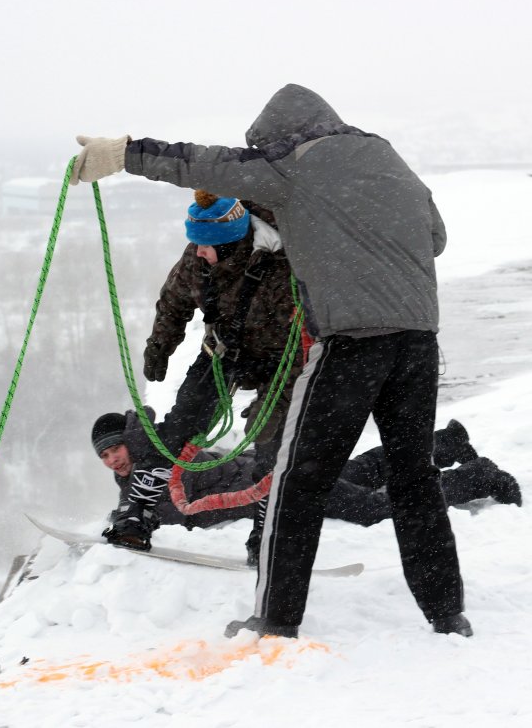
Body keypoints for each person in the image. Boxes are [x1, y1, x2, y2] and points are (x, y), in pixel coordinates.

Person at [71, 83, 472, 638]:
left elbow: (200, 164)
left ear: (277, 137)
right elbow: (436, 239)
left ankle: (276, 619)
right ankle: (447, 613)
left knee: (295, 480)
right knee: (414, 478)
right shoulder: (386, 158)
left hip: (349, 348)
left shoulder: (291, 167)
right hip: (418, 343)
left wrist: (123, 153)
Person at [143, 190, 301, 563]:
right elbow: (174, 302)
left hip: (283, 359)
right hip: (225, 351)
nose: (197, 251)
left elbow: (306, 335)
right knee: (182, 422)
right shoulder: (199, 258)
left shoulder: (285, 265)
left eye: (205, 247)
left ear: (230, 246)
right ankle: (138, 511)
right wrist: (159, 346)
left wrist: (274, 399)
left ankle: (267, 530)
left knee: (272, 438)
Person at [94, 413, 521, 540]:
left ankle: (477, 478)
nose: (112, 460)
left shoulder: (161, 462)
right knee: (360, 471)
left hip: (276, 486)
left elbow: (180, 508)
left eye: (116, 449)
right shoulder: (150, 464)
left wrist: (144, 520)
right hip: (275, 472)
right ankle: (444, 444)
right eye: (105, 456)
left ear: (131, 441)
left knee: (373, 508)